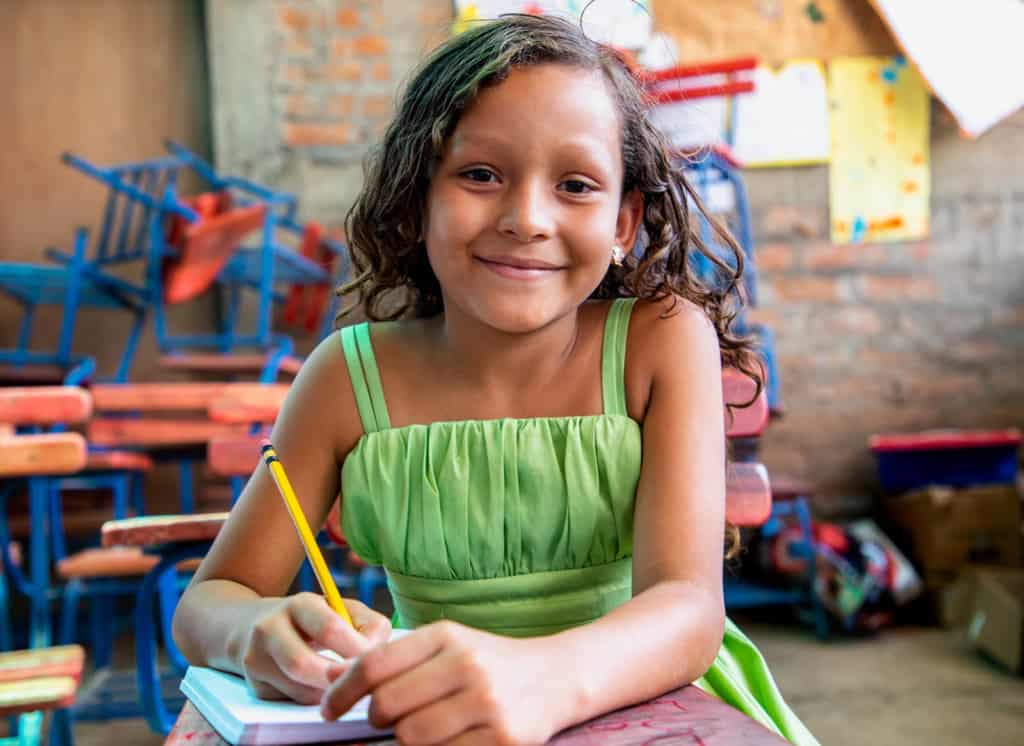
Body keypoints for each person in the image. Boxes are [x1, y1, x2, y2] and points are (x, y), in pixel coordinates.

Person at [173, 14, 818, 746]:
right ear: (419, 198)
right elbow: (208, 603)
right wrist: (257, 628)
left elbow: (689, 607)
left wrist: (539, 679)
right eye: (480, 175)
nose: (526, 218)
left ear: (623, 224)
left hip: (650, 712)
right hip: (430, 723)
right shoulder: (347, 377)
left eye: (575, 185)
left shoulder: (661, 341)